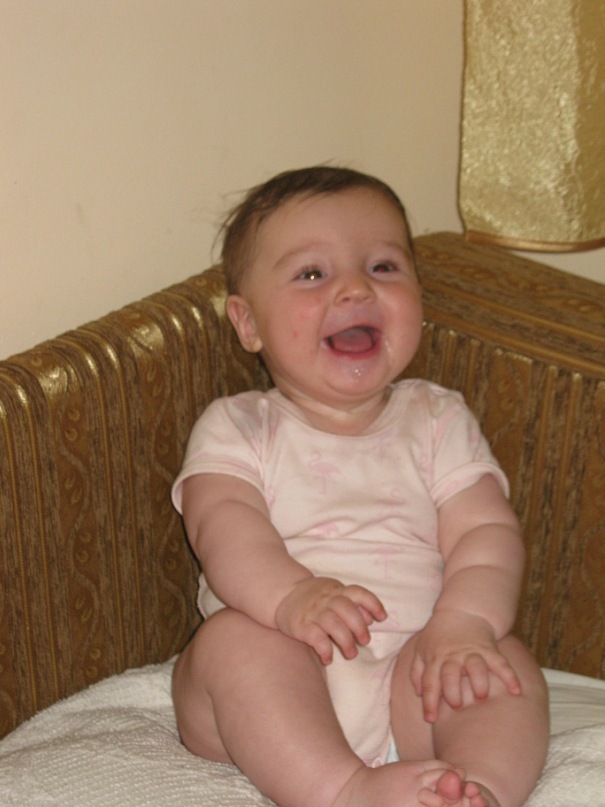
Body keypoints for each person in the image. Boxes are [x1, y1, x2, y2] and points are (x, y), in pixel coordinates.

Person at [171, 166, 549, 807]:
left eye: (383, 267)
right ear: (248, 322)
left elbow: (485, 530)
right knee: (233, 644)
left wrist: (464, 623)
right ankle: (342, 790)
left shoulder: (437, 418)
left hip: (419, 673)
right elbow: (224, 528)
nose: (354, 287)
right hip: (279, 676)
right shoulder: (239, 426)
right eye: (312, 274)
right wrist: (293, 597)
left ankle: (474, 786)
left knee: (503, 665)